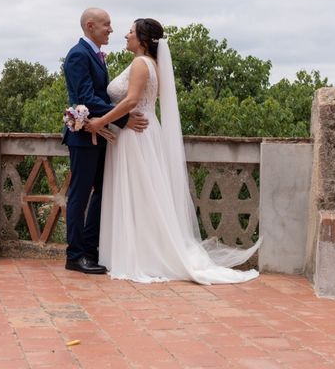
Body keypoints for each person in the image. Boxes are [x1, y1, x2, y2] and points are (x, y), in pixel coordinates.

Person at [87, 18, 261, 284]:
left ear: (143, 40)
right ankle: (140, 250)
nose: (126, 35)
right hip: (140, 131)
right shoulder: (152, 64)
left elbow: (133, 100)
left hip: (136, 135)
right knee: (144, 193)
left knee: (140, 193)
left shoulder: (140, 63)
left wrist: (100, 121)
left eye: (131, 32)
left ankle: (142, 255)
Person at [62, 8, 148, 275]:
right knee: (80, 195)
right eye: (106, 25)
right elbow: (86, 98)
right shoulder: (78, 55)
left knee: (102, 192)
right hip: (84, 137)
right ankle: (75, 256)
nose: (111, 29)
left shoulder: (95, 54)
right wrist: (123, 119)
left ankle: (91, 249)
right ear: (90, 26)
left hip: (100, 134)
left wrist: (113, 119)